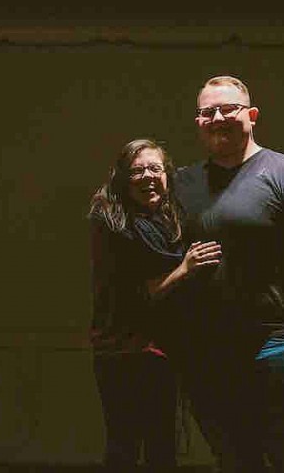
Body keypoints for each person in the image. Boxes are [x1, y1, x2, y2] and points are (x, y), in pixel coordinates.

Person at [173, 76, 284, 472]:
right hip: (209, 344)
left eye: (227, 109)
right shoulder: (182, 182)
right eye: (207, 112)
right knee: (231, 453)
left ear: (251, 115)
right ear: (198, 122)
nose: (217, 117)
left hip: (276, 338)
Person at [88, 138, 221, 472]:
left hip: (160, 350)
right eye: (137, 170)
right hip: (124, 351)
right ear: (122, 177)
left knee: (161, 446)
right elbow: (137, 295)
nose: (148, 176)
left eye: (154, 168)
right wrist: (185, 269)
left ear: (166, 175)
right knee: (125, 445)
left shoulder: (169, 222)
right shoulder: (115, 225)